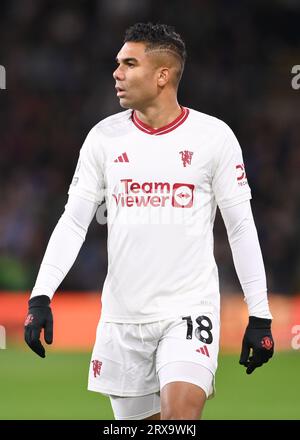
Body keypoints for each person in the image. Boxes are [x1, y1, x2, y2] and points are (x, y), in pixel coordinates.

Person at [24, 22, 274, 420]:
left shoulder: (214, 138)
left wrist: (259, 314)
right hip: (122, 318)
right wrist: (41, 296)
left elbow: (241, 226)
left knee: (179, 419)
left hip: (189, 310)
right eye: (117, 63)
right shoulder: (103, 139)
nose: (117, 73)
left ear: (162, 75)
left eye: (129, 63)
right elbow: (73, 222)